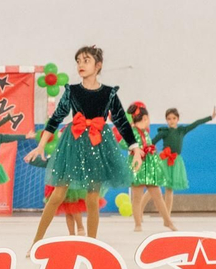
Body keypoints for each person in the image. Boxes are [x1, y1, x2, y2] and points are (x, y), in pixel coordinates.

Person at [25, 45, 139, 243]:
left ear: (98, 65)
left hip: (98, 143)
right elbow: (55, 119)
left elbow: (121, 121)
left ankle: (91, 244)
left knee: (92, 198)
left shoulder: (109, 93)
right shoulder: (72, 91)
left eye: (86, 60)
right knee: (58, 194)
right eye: (78, 61)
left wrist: (135, 148)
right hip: (74, 143)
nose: (80, 64)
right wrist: (41, 145)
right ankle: (36, 242)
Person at [151, 106, 216, 213]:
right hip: (164, 160)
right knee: (153, 188)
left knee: (169, 188)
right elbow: (152, 142)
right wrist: (152, 150)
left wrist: (210, 117)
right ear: (166, 120)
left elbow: (195, 124)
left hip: (175, 161)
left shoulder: (182, 130)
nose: (171, 121)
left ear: (178, 119)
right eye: (169, 119)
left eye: (174, 118)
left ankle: (167, 216)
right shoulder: (165, 132)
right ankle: (141, 208)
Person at [126, 102, 177, 234]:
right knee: (136, 197)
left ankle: (167, 220)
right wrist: (135, 149)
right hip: (138, 167)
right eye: (148, 119)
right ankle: (137, 223)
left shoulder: (145, 133)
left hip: (149, 167)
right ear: (145, 119)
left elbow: (148, 145)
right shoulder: (132, 131)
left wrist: (149, 150)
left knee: (158, 195)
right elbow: (123, 143)